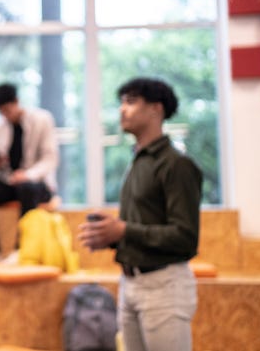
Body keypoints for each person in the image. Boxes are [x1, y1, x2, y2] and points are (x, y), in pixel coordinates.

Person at [78, 77, 202, 351]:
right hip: (130, 285)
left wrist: (122, 231)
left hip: (164, 288)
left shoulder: (177, 164)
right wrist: (110, 237)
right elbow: (141, 227)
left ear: (156, 109)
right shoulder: (138, 161)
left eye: (131, 101)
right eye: (122, 102)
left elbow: (185, 237)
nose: (123, 109)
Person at [0, 83, 60, 262]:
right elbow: (2, 166)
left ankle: (20, 249)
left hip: (38, 184)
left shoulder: (42, 119)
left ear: (17, 102)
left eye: (8, 109)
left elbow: (50, 159)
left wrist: (27, 175)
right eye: (2, 111)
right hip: (12, 182)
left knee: (26, 187)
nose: (6, 115)